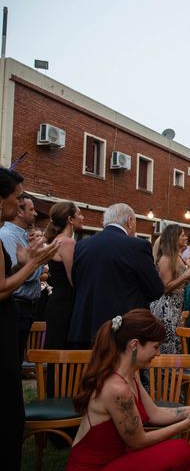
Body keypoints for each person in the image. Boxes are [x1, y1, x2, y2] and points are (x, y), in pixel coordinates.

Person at [66, 309, 190, 470]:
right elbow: (138, 441)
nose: (158, 354)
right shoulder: (116, 388)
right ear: (134, 345)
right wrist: (187, 423)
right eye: (155, 347)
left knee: (178, 450)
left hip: (118, 459)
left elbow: (153, 413)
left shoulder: (131, 374)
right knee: (180, 449)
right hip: (96, 467)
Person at [0, 167, 58, 470]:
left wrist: (26, 264)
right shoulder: (3, 235)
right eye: (18, 198)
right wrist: (33, 263)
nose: (21, 204)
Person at [69, 203, 164, 348]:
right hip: (123, 331)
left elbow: (77, 283)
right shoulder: (137, 246)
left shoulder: (82, 245)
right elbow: (155, 289)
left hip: (86, 327)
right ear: (130, 221)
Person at [43, 201, 84, 395]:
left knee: (57, 352)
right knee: (64, 353)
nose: (82, 217)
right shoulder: (67, 242)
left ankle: (56, 395)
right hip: (65, 305)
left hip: (57, 302)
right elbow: (73, 279)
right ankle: (63, 398)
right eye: (79, 214)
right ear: (70, 219)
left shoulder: (56, 240)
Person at [0, 193, 44, 367]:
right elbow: (14, 274)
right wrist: (36, 265)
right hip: (16, 303)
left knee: (16, 360)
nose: (36, 214)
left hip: (26, 308)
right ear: (19, 211)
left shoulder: (25, 236)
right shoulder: (8, 236)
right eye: (31, 209)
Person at [150, 224, 190, 354]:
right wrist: (186, 274)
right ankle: (164, 373)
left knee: (175, 343)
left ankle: (175, 373)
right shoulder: (166, 259)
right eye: (182, 235)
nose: (186, 237)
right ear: (174, 238)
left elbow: (182, 280)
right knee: (167, 344)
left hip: (176, 306)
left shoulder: (178, 257)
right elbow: (165, 288)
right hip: (166, 308)